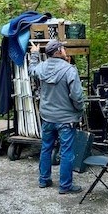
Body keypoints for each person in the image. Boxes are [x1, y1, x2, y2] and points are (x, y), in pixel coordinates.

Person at [28, 39, 86, 194]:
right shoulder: (69, 70)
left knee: (46, 148)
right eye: (63, 47)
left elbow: (31, 70)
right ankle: (65, 186)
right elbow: (77, 96)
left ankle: (43, 180)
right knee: (66, 152)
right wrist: (80, 110)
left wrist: (34, 54)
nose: (65, 49)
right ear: (59, 51)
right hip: (66, 119)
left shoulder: (41, 68)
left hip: (47, 117)